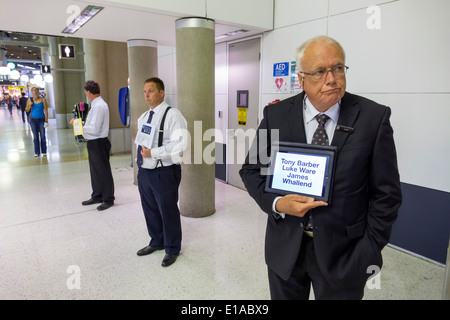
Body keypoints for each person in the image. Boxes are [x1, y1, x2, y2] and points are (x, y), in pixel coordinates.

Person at [240, 35, 402, 300]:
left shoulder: (373, 118)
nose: (331, 79)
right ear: (301, 78)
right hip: (285, 251)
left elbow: (387, 194)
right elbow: (251, 170)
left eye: (338, 68)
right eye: (319, 72)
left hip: (345, 256)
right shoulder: (276, 115)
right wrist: (279, 204)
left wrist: (368, 251)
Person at [135, 77, 187, 267]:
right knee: (150, 209)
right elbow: (141, 143)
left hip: (164, 172)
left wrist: (153, 153)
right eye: (144, 91)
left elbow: (181, 144)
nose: (147, 95)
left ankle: (172, 248)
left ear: (161, 92)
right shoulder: (144, 117)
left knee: (168, 211)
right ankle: (156, 241)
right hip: (145, 172)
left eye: (151, 91)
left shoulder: (172, 115)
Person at [70, 80, 115, 211]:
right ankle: (97, 195)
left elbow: (94, 128)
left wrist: (79, 125)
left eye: (86, 93)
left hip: (99, 142)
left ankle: (108, 198)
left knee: (103, 171)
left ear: (89, 93)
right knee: (95, 171)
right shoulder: (96, 105)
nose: (86, 95)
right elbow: (92, 124)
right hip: (94, 142)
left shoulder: (99, 106)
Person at [25, 88, 48, 157]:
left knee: (43, 136)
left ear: (38, 92)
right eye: (33, 91)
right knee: (35, 136)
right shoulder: (30, 99)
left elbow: (46, 111)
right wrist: (29, 105)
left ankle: (44, 151)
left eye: (36, 90)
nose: (35, 92)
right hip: (33, 120)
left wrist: (46, 121)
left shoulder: (43, 100)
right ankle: (37, 152)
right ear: (32, 92)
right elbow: (26, 110)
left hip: (41, 119)